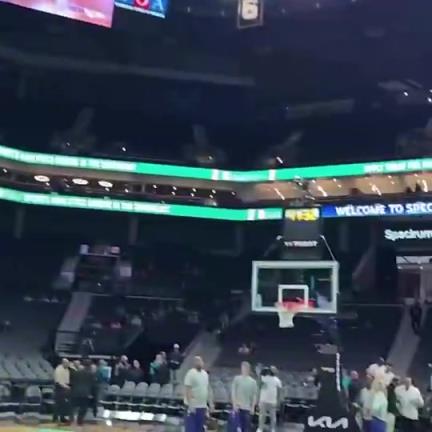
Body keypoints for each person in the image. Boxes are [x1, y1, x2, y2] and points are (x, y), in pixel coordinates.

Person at [184, 356, 213, 432]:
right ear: (194, 363)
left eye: (200, 361)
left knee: (200, 428)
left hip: (202, 406)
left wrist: (210, 403)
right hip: (193, 406)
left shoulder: (205, 374)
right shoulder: (190, 373)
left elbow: (208, 389)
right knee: (191, 428)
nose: (199, 363)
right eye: (197, 361)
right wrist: (190, 404)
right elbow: (188, 389)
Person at [231, 361, 258, 432]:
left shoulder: (253, 382)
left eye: (246, 368)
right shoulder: (237, 379)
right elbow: (233, 392)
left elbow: (254, 395)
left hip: (247, 408)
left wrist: (253, 407)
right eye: (243, 368)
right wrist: (234, 404)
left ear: (249, 369)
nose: (244, 370)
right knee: (237, 428)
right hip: (238, 407)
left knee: (246, 428)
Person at [71, 359, 97, 425]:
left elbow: (73, 382)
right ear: (90, 366)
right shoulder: (91, 374)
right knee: (83, 407)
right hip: (86, 393)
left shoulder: (76, 372)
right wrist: (92, 394)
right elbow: (93, 385)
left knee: (73, 406)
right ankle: (79, 421)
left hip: (76, 392)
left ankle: (71, 419)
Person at [257, 367, 282, 432]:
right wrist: (260, 373)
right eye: (272, 370)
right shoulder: (264, 378)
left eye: (274, 370)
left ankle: (272, 429)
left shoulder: (277, 380)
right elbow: (259, 385)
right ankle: (260, 428)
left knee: (273, 417)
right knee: (262, 416)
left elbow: (279, 392)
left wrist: (278, 401)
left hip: (272, 402)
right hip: (263, 400)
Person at [53, 358, 71, 424]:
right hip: (59, 388)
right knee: (58, 404)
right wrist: (66, 387)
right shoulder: (58, 370)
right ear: (63, 363)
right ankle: (55, 418)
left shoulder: (66, 369)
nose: (68, 365)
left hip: (65, 387)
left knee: (63, 404)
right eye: (67, 363)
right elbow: (58, 381)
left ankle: (62, 418)